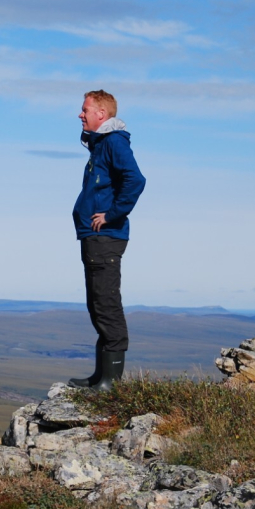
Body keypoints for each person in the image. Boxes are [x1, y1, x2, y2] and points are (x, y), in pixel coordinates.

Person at [68, 90, 146, 391]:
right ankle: (101, 377)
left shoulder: (113, 142)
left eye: (85, 109)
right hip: (94, 236)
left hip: (106, 236)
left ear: (102, 114)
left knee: (107, 304)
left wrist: (112, 215)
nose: (80, 114)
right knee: (97, 304)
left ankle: (111, 384)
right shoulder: (100, 145)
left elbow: (135, 180)